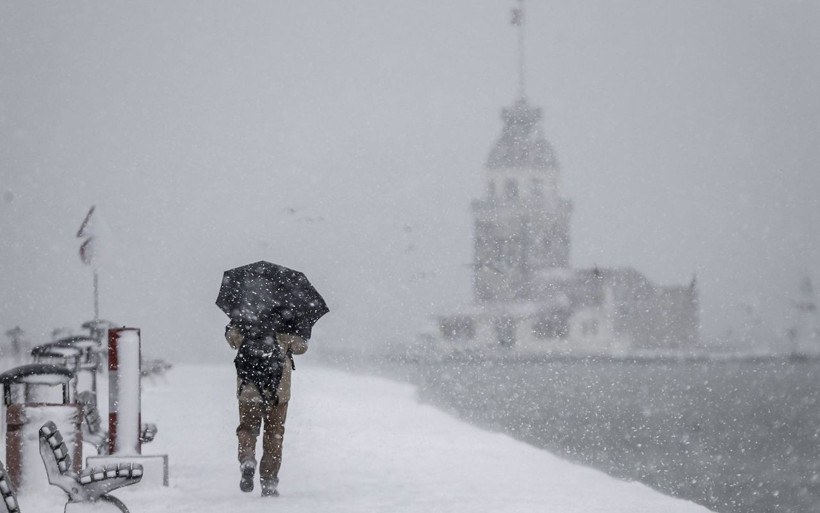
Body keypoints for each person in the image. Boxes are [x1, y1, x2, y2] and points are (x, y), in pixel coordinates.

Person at [226, 321, 308, 497]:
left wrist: (234, 327)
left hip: (249, 387)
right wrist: (299, 331)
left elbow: (232, 340)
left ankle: (247, 460)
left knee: (247, 428)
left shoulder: (245, 315)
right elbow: (301, 347)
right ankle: (269, 481)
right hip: (278, 389)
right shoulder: (287, 319)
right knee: (274, 433)